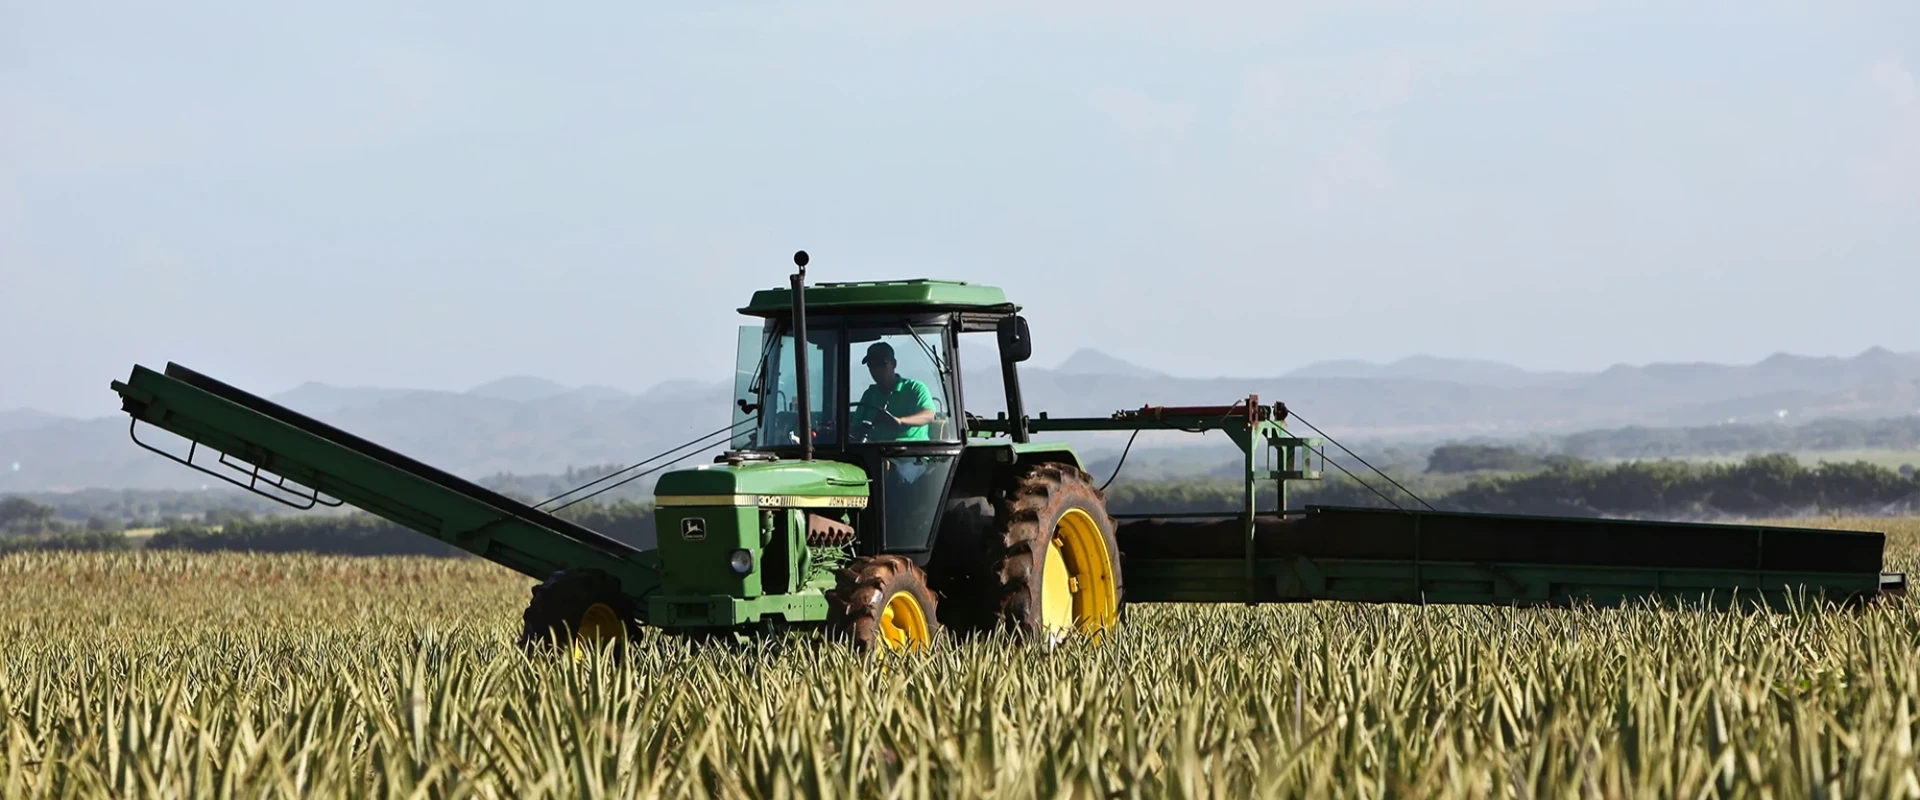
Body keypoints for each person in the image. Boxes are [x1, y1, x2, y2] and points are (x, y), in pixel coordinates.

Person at [850, 342, 937, 442]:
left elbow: (929, 415)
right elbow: (855, 427)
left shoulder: (915, 388)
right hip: (876, 451)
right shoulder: (869, 394)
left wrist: (900, 421)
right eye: (871, 365)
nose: (876, 370)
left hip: (911, 452)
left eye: (881, 364)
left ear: (894, 364)